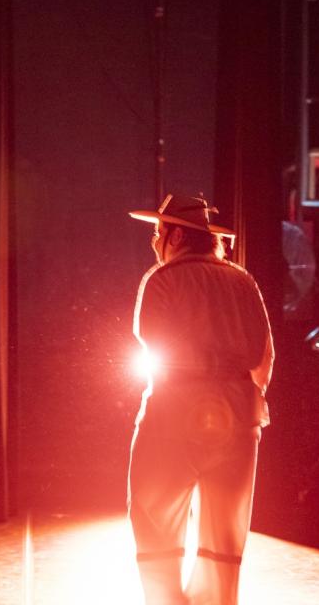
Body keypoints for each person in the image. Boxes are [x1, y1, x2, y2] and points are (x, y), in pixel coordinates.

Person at [127, 194, 274, 605]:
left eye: (158, 233)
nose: (155, 243)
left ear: (174, 235)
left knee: (155, 518)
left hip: (173, 410)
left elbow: (153, 341)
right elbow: (263, 355)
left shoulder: (162, 279)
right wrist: (250, 407)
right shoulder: (242, 281)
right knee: (224, 537)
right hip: (237, 415)